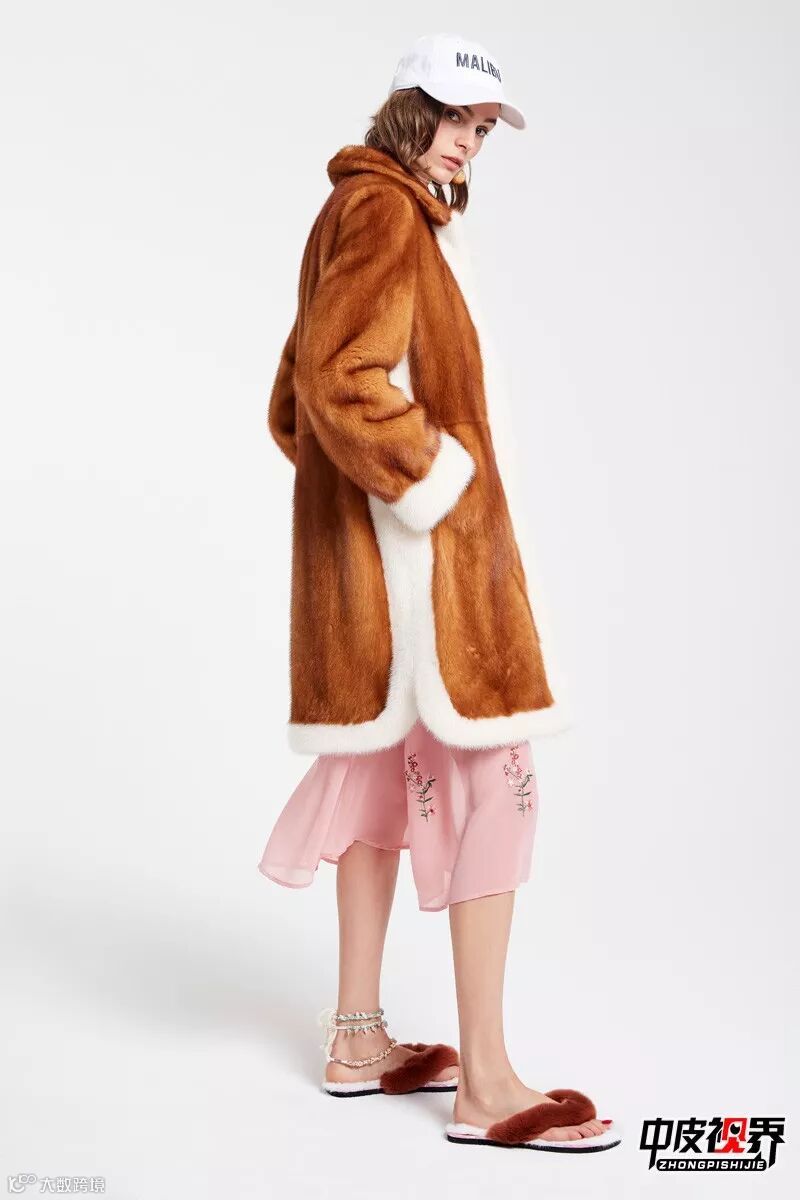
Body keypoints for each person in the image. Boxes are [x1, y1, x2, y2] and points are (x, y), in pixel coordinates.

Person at [259, 32, 620, 1152]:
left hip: (374, 582)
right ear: (408, 110)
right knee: (497, 786)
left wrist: (350, 514)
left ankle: (357, 1039)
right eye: (457, 117)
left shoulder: (366, 210)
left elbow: (292, 404)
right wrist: (432, 483)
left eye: (483, 125)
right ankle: (489, 1085)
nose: (471, 141)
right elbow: (332, 382)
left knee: (377, 785)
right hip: (425, 580)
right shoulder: (382, 211)